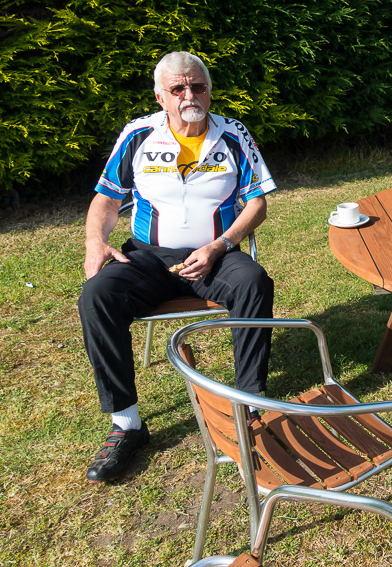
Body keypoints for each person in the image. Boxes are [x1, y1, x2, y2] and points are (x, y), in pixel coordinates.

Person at [78, 51, 276, 483]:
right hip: (148, 256)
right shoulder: (138, 134)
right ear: (160, 96)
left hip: (215, 253)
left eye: (198, 86)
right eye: (178, 88)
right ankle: (126, 424)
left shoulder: (232, 134)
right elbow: (108, 198)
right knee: (97, 296)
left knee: (255, 282)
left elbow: (257, 201)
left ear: (209, 90)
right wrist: (96, 240)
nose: (190, 95)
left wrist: (220, 246)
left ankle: (251, 405)